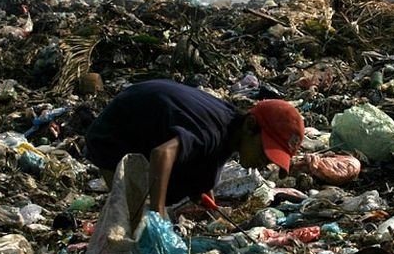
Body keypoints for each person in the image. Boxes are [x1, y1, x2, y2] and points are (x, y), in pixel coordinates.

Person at [84, 79, 305, 217]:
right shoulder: (211, 133)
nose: (264, 163)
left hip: (147, 126)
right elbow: (162, 154)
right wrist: (157, 213)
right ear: (250, 126)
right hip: (113, 137)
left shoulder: (230, 128)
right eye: (266, 153)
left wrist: (213, 212)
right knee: (135, 215)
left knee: (184, 189)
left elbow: (203, 177)